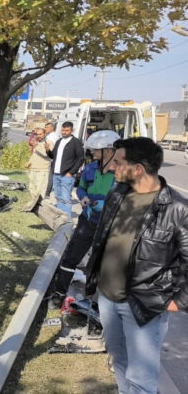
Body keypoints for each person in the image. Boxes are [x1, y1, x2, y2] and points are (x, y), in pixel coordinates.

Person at [85, 137, 187, 394]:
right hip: (107, 299)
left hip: (143, 305)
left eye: (118, 163)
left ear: (138, 169)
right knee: (119, 361)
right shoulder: (118, 193)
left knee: (141, 378)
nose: (110, 167)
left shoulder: (177, 209)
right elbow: (103, 238)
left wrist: (180, 300)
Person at [49, 130, 119, 309]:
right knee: (71, 257)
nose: (92, 154)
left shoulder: (120, 173)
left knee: (100, 265)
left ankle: (95, 301)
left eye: (96, 150)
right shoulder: (90, 168)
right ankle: (59, 293)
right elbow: (81, 187)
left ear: (108, 151)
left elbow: (124, 200)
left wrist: (104, 206)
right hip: (87, 221)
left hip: (109, 226)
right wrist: (83, 197)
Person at [46, 121, 84, 215]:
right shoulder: (59, 141)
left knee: (66, 197)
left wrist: (71, 172)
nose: (64, 132)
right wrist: (48, 151)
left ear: (72, 130)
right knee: (58, 197)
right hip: (56, 174)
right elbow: (53, 156)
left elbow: (80, 159)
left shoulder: (76, 142)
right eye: (63, 130)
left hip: (67, 175)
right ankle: (60, 216)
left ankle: (66, 220)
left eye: (67, 130)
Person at [24, 128, 51, 202]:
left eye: (40, 134)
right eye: (37, 134)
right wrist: (29, 162)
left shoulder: (48, 142)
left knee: (40, 189)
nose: (38, 136)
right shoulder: (37, 143)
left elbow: (46, 154)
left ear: (45, 134)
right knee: (32, 187)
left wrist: (36, 146)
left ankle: (40, 205)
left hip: (42, 169)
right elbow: (34, 155)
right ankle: (34, 203)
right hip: (34, 168)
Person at [43, 122, 59, 197]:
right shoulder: (50, 136)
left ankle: (47, 193)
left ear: (52, 128)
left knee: (49, 176)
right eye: (45, 127)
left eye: (47, 127)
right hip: (50, 158)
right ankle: (46, 191)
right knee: (48, 176)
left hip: (51, 159)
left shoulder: (52, 137)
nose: (45, 129)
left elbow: (50, 148)